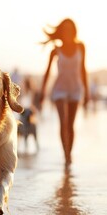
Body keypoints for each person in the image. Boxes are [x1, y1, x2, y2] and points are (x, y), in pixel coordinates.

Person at [39, 18, 89, 166]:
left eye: (70, 29)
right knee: (63, 122)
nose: (68, 32)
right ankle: (65, 154)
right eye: (65, 30)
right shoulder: (55, 50)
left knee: (70, 125)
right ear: (61, 32)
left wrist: (87, 92)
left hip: (75, 88)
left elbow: (83, 69)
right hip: (59, 89)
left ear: (74, 31)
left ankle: (69, 154)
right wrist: (42, 91)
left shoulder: (81, 47)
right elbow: (47, 72)